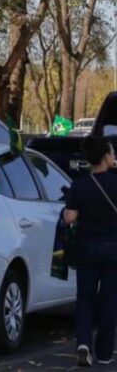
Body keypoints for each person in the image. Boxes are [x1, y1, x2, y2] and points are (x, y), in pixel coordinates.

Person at [64, 135, 117, 367]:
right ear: (105, 157)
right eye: (112, 152)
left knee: (84, 298)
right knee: (110, 299)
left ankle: (84, 343)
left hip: (86, 248)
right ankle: (104, 353)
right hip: (113, 249)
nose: (114, 156)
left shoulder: (79, 185)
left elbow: (70, 217)